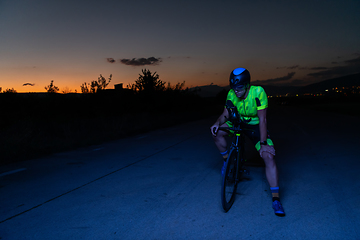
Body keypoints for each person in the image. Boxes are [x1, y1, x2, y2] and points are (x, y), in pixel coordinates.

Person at [210, 67, 285, 216]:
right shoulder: (231, 94)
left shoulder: (258, 92)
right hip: (238, 123)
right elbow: (225, 114)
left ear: (247, 84)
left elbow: (263, 119)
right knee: (216, 132)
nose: (236, 90)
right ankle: (228, 161)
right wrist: (217, 123)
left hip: (255, 127)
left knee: (268, 157)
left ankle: (276, 199)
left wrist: (263, 144)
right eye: (233, 87)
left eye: (239, 87)